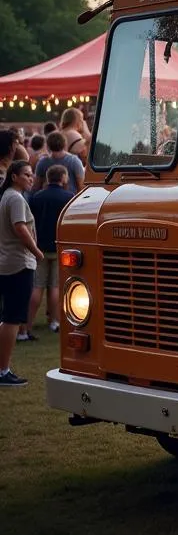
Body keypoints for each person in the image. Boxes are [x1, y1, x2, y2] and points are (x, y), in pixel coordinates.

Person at [0, 160, 45, 386]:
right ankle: (3, 370)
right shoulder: (15, 198)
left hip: (9, 262)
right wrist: (37, 251)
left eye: (31, 174)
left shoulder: (8, 195)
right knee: (12, 318)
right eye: (26, 174)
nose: (31, 177)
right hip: (18, 263)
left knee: (9, 317)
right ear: (15, 176)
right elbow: (20, 228)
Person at [28, 164, 74, 335]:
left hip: (39, 247)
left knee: (37, 286)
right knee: (55, 286)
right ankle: (54, 322)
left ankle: (27, 324)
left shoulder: (36, 197)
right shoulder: (68, 196)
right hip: (58, 245)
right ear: (62, 178)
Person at [33, 131, 85, 196]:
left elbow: (36, 187)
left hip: (48, 200)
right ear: (65, 144)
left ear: (48, 145)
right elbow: (81, 186)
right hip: (70, 201)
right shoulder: (74, 161)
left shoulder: (42, 162)